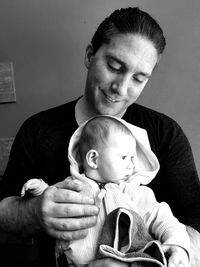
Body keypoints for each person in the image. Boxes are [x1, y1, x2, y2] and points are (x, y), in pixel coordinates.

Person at [0, 6, 200, 267]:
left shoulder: (165, 134)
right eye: (115, 66)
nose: (122, 88)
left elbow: (195, 224)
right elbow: (3, 212)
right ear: (89, 55)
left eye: (139, 79)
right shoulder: (37, 130)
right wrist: (35, 213)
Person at [21, 115, 190, 267]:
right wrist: (40, 189)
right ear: (94, 159)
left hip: (130, 261)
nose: (131, 164)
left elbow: (164, 218)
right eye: (124, 157)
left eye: (133, 157)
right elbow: (52, 200)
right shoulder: (73, 186)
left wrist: (177, 245)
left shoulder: (133, 192)